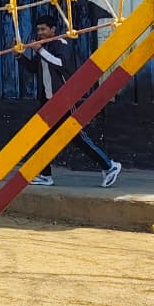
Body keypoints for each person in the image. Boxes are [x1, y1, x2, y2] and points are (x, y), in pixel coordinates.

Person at [18, 14, 122, 187]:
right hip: (48, 101)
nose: (40, 33)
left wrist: (39, 50)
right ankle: (45, 175)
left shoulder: (61, 44)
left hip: (64, 100)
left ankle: (109, 165)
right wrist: (19, 56)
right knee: (42, 137)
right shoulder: (43, 47)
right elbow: (33, 68)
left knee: (76, 137)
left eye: (43, 29)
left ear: (53, 29)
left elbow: (60, 64)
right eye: (38, 30)